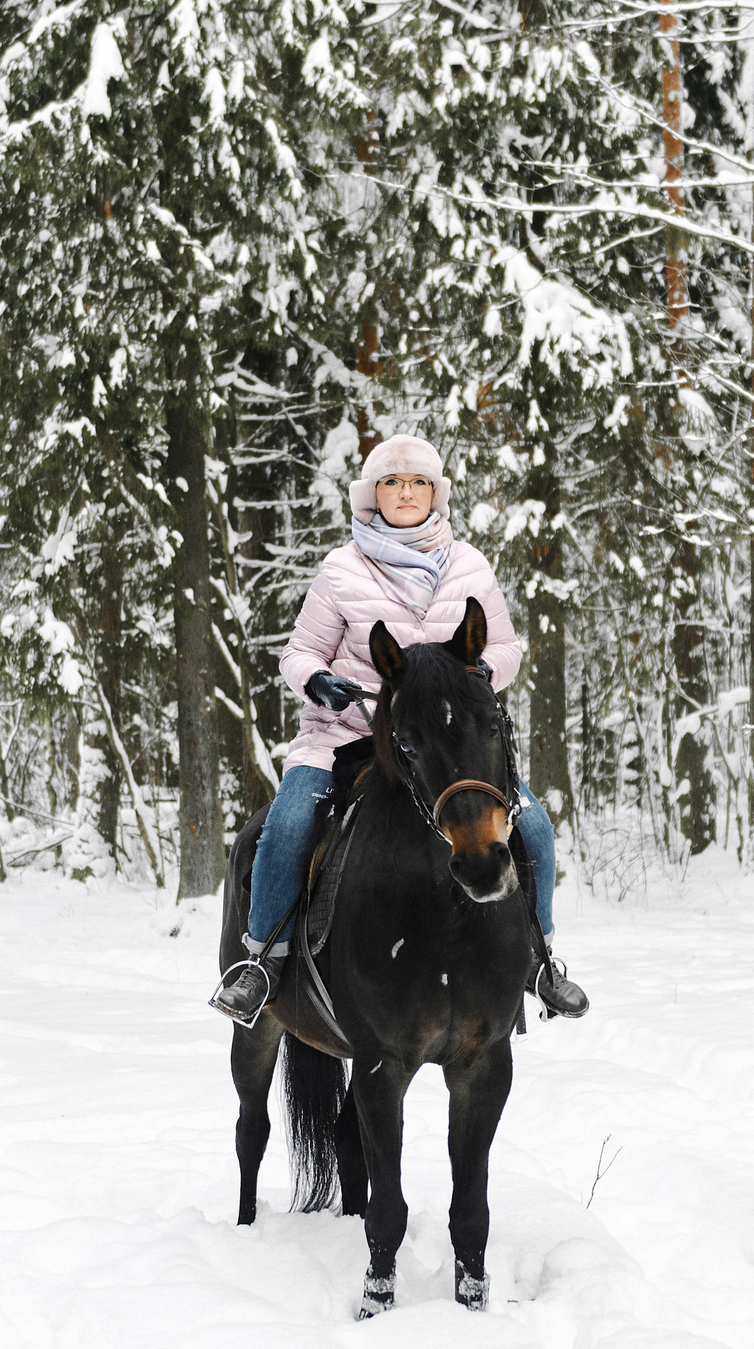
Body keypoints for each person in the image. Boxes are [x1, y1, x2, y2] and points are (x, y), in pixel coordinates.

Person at [209, 434, 589, 1025]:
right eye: (392, 483)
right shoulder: (341, 569)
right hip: (346, 735)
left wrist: (486, 669)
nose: (405, 493)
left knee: (533, 824)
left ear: (435, 494)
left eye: (417, 484)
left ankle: (539, 961)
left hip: (445, 743)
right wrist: (316, 681)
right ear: (372, 496)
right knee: (286, 824)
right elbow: (299, 651)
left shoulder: (470, 566)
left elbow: (508, 645)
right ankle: (262, 963)